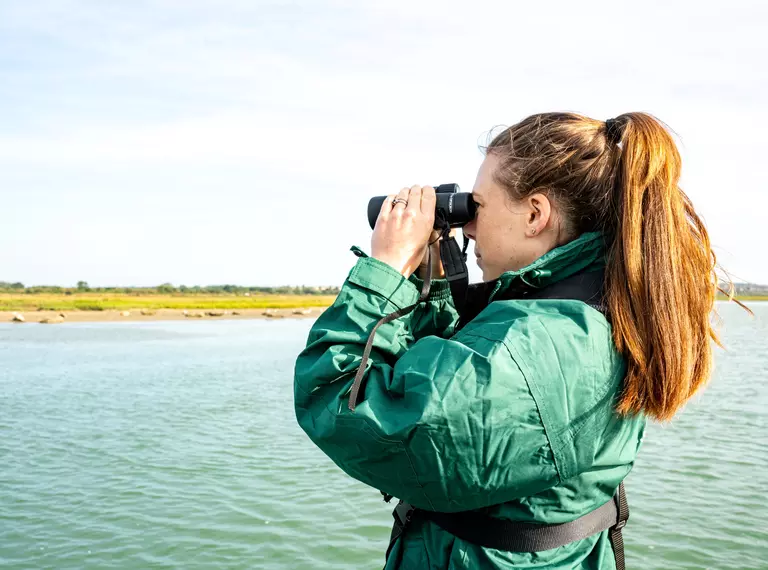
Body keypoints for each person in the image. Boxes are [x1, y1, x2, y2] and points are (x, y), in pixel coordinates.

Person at [294, 112, 727, 569]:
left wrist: (385, 269)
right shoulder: (583, 309)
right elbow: (440, 376)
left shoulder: (539, 344)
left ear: (535, 215)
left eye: (477, 207)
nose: (468, 227)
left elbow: (341, 403)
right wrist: (433, 285)